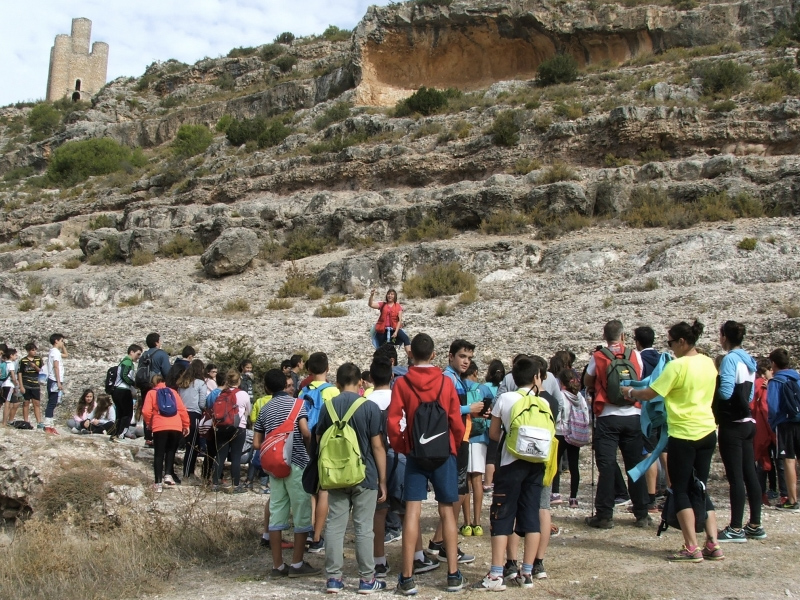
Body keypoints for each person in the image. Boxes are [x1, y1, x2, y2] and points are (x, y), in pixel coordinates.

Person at [622, 320, 724, 562]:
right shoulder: (708, 363)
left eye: (670, 342)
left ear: (681, 342)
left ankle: (691, 545)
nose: (670, 348)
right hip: (707, 430)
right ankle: (713, 542)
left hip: (683, 433)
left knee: (680, 489)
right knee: (700, 486)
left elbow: (651, 393)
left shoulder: (677, 367)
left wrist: (631, 393)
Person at [388, 333, 466, 595]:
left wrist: (403, 446)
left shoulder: (402, 383)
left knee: (412, 513)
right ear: (434, 355)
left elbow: (392, 422)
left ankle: (407, 577)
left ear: (411, 354)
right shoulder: (446, 383)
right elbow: (456, 421)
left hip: (415, 454)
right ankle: (453, 574)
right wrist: (453, 446)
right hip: (444, 454)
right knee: (447, 512)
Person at [474, 357, 554, 590]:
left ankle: (497, 574)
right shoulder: (544, 403)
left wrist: (512, 443)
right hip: (536, 464)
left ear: (513, 378)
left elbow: (494, 433)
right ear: (536, 378)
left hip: (511, 464)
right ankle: (527, 573)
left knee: (502, 514)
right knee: (531, 516)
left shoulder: (505, 399)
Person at [316, 362, 387, 594]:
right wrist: (382, 479)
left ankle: (334, 579)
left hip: (335, 475)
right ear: (361, 384)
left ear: (337, 384)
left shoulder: (328, 408)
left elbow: (319, 443)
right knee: (363, 527)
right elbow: (377, 447)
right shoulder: (369, 408)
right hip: (364, 475)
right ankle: (367, 579)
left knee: (335, 525)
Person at [583, 320, 650, 528]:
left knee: (607, 466)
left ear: (605, 337)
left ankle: (604, 515)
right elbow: (640, 376)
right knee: (635, 465)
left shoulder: (599, 356)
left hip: (607, 416)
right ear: (623, 336)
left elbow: (587, 381)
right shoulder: (635, 355)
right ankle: (642, 513)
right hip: (633, 414)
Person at [253, 369, 320, 579]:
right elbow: (306, 432)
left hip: (275, 467)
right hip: (297, 463)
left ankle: (277, 566)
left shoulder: (264, 409)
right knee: (301, 512)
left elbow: (256, 442)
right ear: (285, 385)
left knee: (277, 512)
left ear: (266, 388)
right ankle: (297, 564)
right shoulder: (297, 404)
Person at [714, 321, 765, 541]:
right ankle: (755, 523)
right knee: (749, 474)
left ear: (724, 336)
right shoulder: (749, 361)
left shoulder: (730, 360)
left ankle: (735, 527)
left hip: (732, 424)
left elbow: (725, 392)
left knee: (735, 478)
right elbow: (751, 394)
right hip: (747, 421)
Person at [298, 352, 338, 552]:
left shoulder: (302, 391)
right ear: (328, 368)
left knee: (311, 488)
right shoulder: (333, 391)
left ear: (309, 370)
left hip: (307, 442)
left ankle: (308, 528)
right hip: (326, 443)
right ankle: (317, 536)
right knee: (324, 490)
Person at [142, 374, 190, 492]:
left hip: (160, 425)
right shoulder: (173, 392)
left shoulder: (151, 393)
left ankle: (158, 483)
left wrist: (150, 423)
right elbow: (182, 409)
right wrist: (186, 424)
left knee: (159, 454)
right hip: (176, 425)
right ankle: (168, 474)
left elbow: (145, 411)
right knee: (171, 451)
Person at [767, 348, 800, 511]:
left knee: (788, 459)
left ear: (774, 363)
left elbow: (772, 407)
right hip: (799, 420)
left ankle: (792, 499)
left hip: (784, 422)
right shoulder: (797, 378)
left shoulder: (776, 382)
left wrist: (773, 424)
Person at [751, 358, 785, 503]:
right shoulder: (769, 384)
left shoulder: (757, 384)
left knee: (763, 462)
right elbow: (766, 407)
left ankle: (761, 493)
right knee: (780, 461)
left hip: (760, 428)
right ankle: (784, 493)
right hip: (771, 427)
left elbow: (752, 405)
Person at [552, 369, 586, 508]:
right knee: (574, 466)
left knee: (555, 463)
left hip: (560, 432)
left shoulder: (561, 395)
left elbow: (559, 414)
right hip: (575, 433)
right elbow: (586, 415)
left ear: (561, 382)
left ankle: (555, 493)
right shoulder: (580, 397)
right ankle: (573, 497)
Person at [212, 370, 251, 493]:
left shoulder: (221, 394)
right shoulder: (243, 394)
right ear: (239, 380)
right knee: (235, 456)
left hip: (221, 427)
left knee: (220, 455)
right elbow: (248, 411)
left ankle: (214, 483)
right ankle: (236, 485)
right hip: (238, 427)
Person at [137, 333, 171, 446]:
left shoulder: (144, 355)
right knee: (157, 409)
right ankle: (157, 434)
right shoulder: (162, 354)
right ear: (157, 342)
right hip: (156, 386)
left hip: (144, 385)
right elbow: (167, 372)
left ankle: (148, 437)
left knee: (147, 409)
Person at [177, 359, 207, 482]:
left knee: (182, 444)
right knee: (193, 445)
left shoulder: (182, 382)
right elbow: (201, 403)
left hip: (181, 415)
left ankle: (183, 472)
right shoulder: (200, 383)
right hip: (194, 415)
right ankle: (187, 474)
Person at [479, 360, 505, 493]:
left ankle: (487, 482)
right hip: (500, 424)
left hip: (488, 424)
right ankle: (495, 480)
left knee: (489, 456)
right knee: (497, 455)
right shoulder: (504, 387)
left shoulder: (485, 386)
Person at [369, 289, 412, 361]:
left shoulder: (398, 306)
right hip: (382, 329)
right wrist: (371, 295)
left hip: (395, 329)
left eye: (392, 294)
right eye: (389, 294)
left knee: (405, 338)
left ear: (395, 296)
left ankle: (411, 357)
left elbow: (399, 321)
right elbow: (371, 304)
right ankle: (380, 362)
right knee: (381, 346)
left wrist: (396, 332)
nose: (390, 295)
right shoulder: (382, 304)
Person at [111, 344, 142, 440]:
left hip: (116, 390)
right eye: (138, 354)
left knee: (119, 414)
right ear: (131, 352)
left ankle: (115, 434)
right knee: (127, 414)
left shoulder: (122, 362)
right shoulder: (128, 362)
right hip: (123, 391)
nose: (138, 357)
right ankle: (120, 434)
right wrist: (133, 384)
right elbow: (124, 375)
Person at [43, 333, 67, 435]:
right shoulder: (55, 353)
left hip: (54, 380)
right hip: (54, 380)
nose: (63, 342)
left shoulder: (54, 352)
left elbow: (66, 355)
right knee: (52, 403)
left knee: (53, 402)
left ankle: (51, 425)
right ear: (56, 341)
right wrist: (58, 382)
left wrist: (63, 345)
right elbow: (56, 367)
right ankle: (47, 425)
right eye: (61, 340)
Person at [17, 342, 43, 427]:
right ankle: (26, 421)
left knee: (36, 403)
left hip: (35, 384)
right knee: (26, 403)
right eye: (32, 350)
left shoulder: (38, 359)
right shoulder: (23, 360)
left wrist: (34, 366)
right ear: (28, 351)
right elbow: (20, 373)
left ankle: (39, 422)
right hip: (26, 383)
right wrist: (21, 385)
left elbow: (41, 371)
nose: (34, 352)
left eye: (35, 350)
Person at [1, 347, 21, 426]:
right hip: (9, 385)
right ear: (11, 355)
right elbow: (13, 376)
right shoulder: (11, 364)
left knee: (9, 403)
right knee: (7, 403)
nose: (16, 357)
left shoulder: (4, 363)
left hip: (4, 384)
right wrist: (16, 384)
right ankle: (4, 422)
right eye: (15, 355)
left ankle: (5, 421)